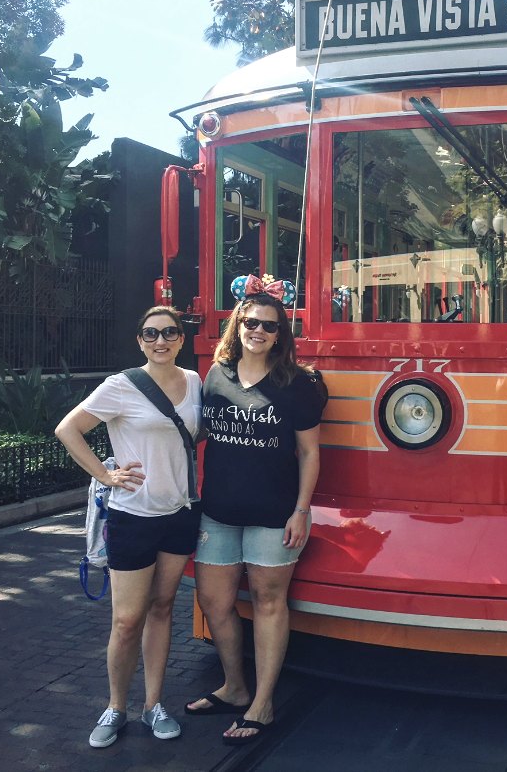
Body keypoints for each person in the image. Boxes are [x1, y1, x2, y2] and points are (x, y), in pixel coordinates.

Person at [185, 275, 325, 745]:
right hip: (218, 511)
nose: (258, 331)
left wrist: (301, 510)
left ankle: (262, 703)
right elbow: (199, 432)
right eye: (250, 322)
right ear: (237, 326)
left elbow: (309, 452)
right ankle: (234, 685)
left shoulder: (298, 385)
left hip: (273, 514)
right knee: (215, 603)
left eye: (268, 324)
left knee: (268, 603)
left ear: (280, 333)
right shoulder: (216, 375)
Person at [55, 306, 201, 749]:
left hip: (179, 512)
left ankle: (153, 704)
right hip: (132, 516)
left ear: (181, 338)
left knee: (162, 609)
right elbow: (68, 429)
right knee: (126, 620)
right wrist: (105, 474)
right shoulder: (121, 386)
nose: (161, 340)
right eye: (151, 334)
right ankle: (116, 705)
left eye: (170, 333)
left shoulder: (193, 381)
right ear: (140, 340)